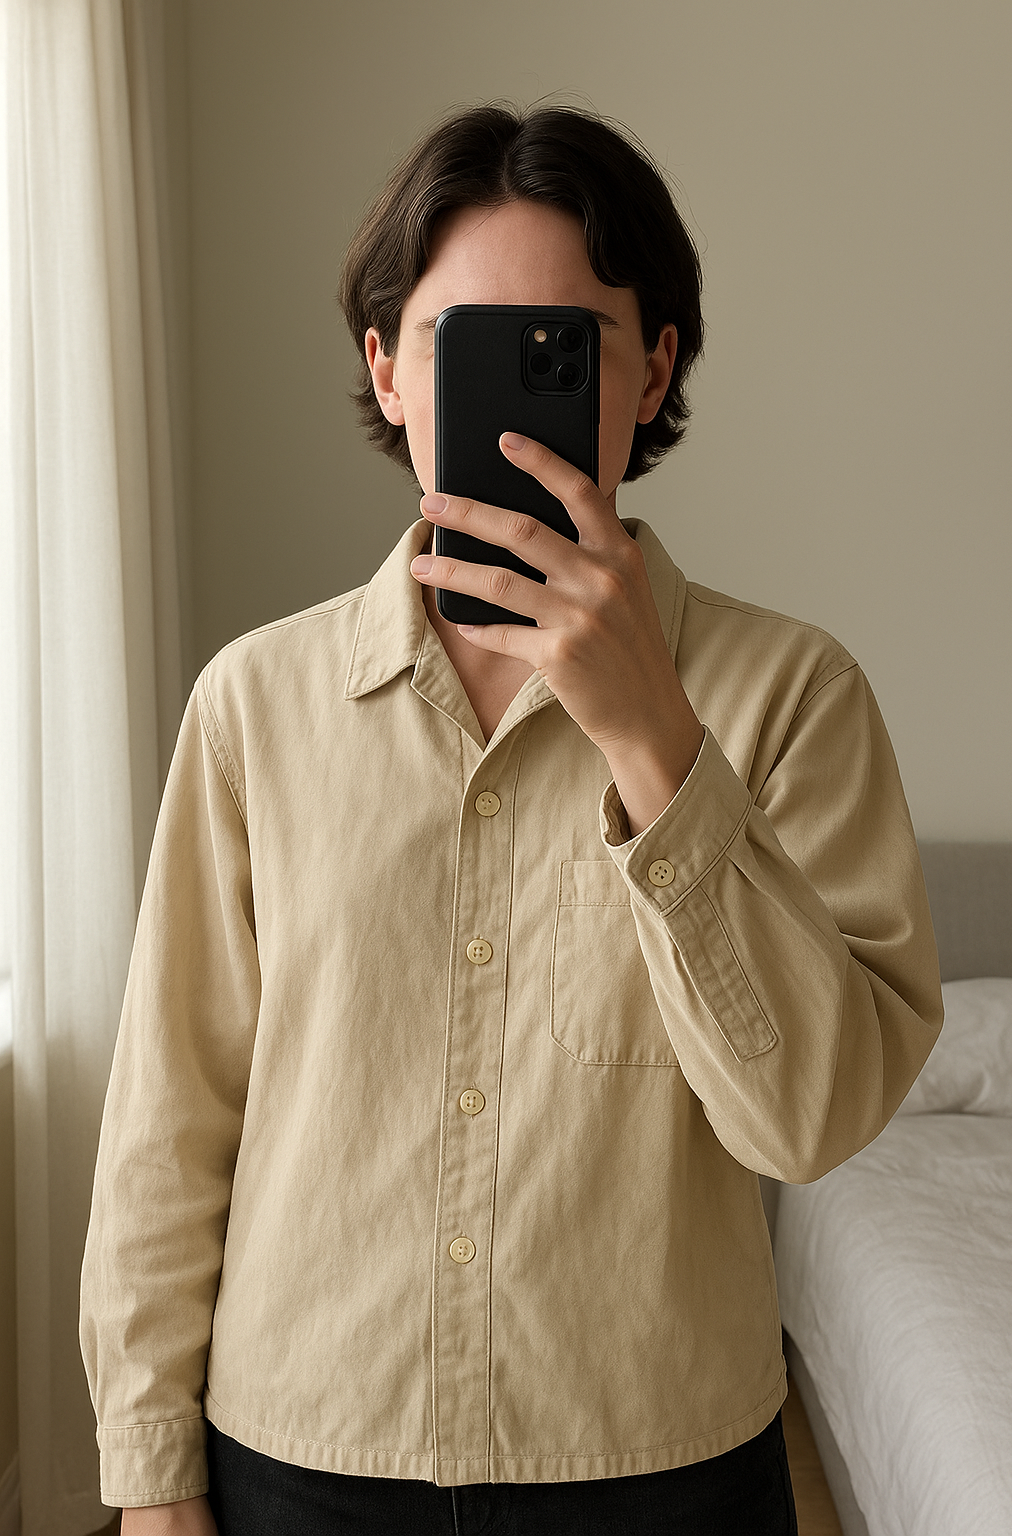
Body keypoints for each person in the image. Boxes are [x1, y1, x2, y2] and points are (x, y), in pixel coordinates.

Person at [80, 103, 943, 1535]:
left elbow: (812, 1119)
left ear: (652, 369)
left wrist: (654, 739)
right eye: (459, 341)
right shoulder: (254, 706)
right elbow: (170, 1119)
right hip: (303, 1446)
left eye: (567, 346)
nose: (512, 396)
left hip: (655, 1463)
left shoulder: (795, 695)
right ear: (389, 370)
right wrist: (151, 1475)